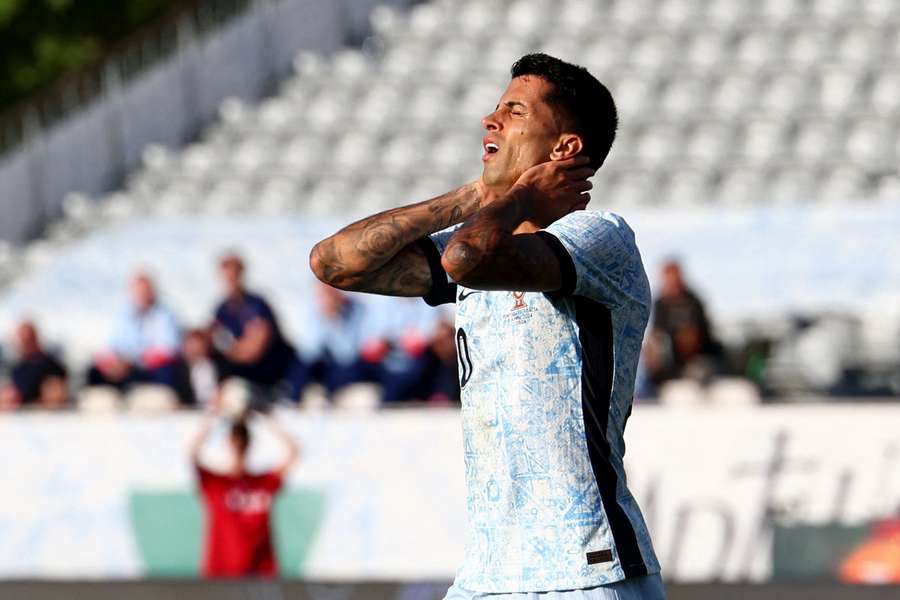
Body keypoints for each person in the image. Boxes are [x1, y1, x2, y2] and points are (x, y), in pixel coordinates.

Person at [311, 54, 663, 599]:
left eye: (514, 111)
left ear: (564, 149)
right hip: (489, 572)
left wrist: (518, 196)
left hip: (586, 569)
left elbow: (464, 258)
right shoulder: (479, 245)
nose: (489, 120)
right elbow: (333, 262)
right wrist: (477, 195)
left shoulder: (601, 238)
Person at [190, 414, 299, 578]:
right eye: (235, 440)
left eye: (242, 440)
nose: (238, 445)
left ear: (249, 443)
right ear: (227, 442)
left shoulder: (263, 482)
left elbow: (293, 451)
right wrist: (214, 415)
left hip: (260, 573)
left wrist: (267, 417)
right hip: (221, 573)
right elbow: (192, 454)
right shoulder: (215, 482)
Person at [211, 253, 306, 403]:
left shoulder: (257, 304)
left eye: (233, 275)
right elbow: (221, 345)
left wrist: (235, 350)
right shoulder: (222, 309)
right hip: (245, 372)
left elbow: (254, 349)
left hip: (272, 372)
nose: (230, 280)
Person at [87, 272, 183, 396]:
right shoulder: (123, 315)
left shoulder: (165, 315)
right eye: (138, 292)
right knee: (94, 372)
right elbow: (111, 345)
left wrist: (134, 362)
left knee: (166, 372)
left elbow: (169, 349)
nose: (142, 295)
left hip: (148, 368)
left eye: (145, 291)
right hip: (125, 367)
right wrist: (113, 363)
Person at [644, 260, 720, 386]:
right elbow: (655, 334)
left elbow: (692, 340)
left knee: (698, 373)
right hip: (672, 363)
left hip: (699, 359)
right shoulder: (660, 303)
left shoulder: (693, 301)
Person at [0, 320, 68, 410]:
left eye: (27, 339)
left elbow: (58, 393)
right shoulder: (18, 367)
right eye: (21, 339)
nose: (24, 343)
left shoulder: (51, 365)